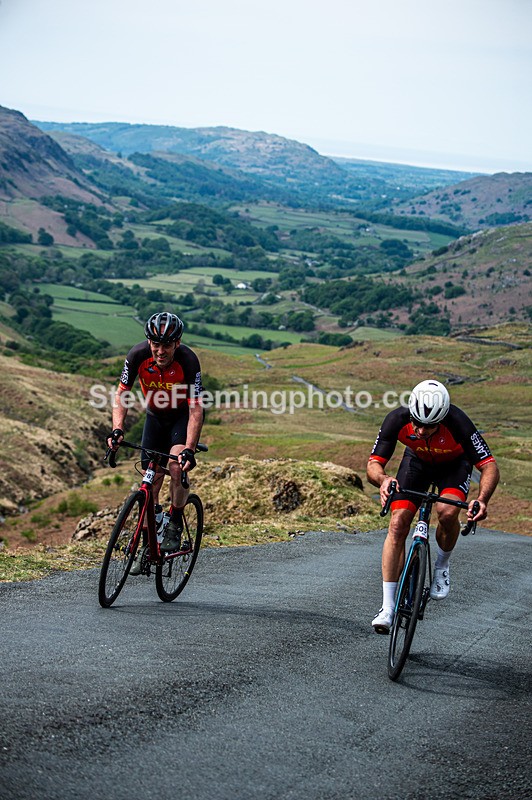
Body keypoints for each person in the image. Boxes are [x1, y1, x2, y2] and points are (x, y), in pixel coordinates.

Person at [367, 379, 499, 633]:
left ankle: (441, 565)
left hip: (454, 467)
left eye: (428, 426)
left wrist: (482, 499)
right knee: (397, 523)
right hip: (416, 464)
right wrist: (383, 479)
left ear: (442, 419)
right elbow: (373, 464)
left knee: (447, 512)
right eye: (416, 422)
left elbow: (489, 465)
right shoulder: (397, 419)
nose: (419, 430)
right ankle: (387, 608)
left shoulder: (458, 422)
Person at [107, 311, 204, 555]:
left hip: (181, 417)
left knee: (175, 466)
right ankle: (149, 541)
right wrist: (117, 429)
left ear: (177, 343)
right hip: (155, 418)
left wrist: (189, 449)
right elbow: (122, 394)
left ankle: (175, 522)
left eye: (167, 345)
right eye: (156, 344)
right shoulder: (137, 355)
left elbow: (196, 408)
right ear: (149, 341)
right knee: (150, 481)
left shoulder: (188, 360)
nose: (160, 351)